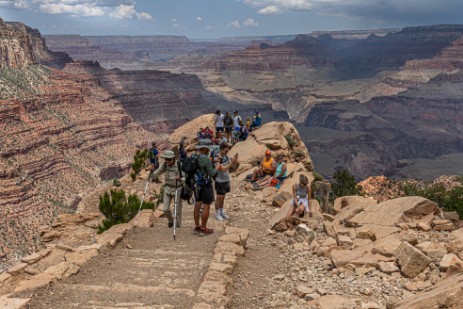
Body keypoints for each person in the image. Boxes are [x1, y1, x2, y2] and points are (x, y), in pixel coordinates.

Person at [150, 150, 185, 228]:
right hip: (167, 188)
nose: (167, 161)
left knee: (177, 209)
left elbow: (186, 177)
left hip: (177, 188)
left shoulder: (180, 165)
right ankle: (171, 221)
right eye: (166, 159)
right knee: (165, 209)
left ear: (173, 158)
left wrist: (181, 179)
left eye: (169, 159)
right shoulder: (165, 165)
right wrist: (152, 176)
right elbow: (158, 172)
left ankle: (178, 226)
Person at [193, 142, 218, 235]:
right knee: (206, 206)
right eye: (208, 149)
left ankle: (197, 227)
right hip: (205, 185)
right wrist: (217, 168)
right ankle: (203, 229)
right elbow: (212, 173)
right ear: (205, 149)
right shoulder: (206, 159)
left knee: (197, 205)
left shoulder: (194, 157)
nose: (209, 150)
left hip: (196, 185)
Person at [214, 143, 238, 221]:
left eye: (227, 150)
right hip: (219, 180)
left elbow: (231, 168)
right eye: (225, 150)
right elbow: (223, 169)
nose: (227, 152)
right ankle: (217, 213)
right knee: (219, 198)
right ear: (221, 149)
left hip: (226, 179)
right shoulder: (217, 158)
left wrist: (234, 162)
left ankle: (221, 212)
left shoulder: (226, 157)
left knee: (223, 197)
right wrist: (231, 163)